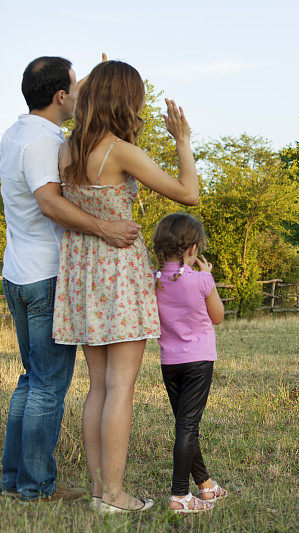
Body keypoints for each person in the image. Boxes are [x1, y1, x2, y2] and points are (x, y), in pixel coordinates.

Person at [52, 60, 200, 513]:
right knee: (121, 387)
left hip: (81, 268)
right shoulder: (120, 151)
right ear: (123, 100)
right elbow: (188, 193)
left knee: (98, 386)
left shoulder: (67, 150)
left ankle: (100, 493)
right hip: (117, 268)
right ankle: (114, 496)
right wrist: (183, 140)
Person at [0, 56, 139, 502]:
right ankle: (36, 488)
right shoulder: (44, 141)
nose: (80, 95)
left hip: (17, 271)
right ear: (61, 96)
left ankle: (13, 477)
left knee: (31, 378)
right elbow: (50, 204)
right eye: (76, 88)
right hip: (45, 273)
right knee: (48, 385)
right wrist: (107, 227)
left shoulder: (14, 134)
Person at [151, 213, 227, 513]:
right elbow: (218, 317)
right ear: (193, 249)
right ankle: (179, 495)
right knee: (188, 426)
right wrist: (207, 276)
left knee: (186, 425)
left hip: (169, 362)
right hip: (199, 361)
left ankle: (205, 485)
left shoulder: (153, 281)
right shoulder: (202, 279)